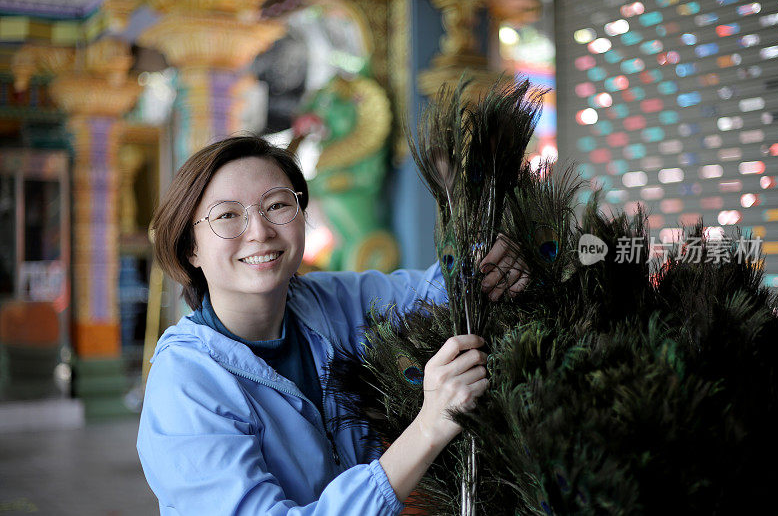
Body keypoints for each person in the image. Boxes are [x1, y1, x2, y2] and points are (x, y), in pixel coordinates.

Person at [137, 135, 529, 515]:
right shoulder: (185, 384)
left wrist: (491, 263)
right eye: (227, 215)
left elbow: (429, 292)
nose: (259, 231)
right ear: (191, 247)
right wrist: (430, 427)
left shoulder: (324, 302)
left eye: (276, 206)